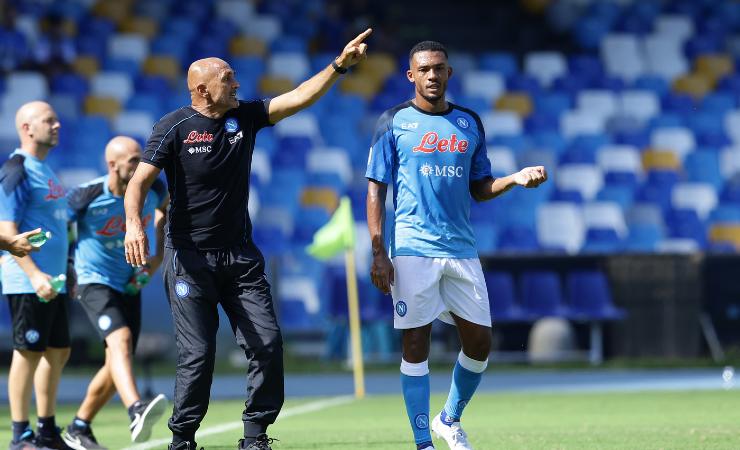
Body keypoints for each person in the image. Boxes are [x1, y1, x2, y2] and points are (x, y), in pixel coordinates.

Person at [123, 29, 373, 450]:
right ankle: (182, 438)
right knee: (199, 356)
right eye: (228, 78)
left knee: (268, 343)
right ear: (202, 89)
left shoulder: (246, 115)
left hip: (240, 257)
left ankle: (255, 436)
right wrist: (134, 224)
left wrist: (337, 67)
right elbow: (138, 183)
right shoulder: (174, 127)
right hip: (190, 259)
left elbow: (298, 98)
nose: (237, 84)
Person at [365, 41, 547, 450]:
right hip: (411, 247)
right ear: (410, 75)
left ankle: (448, 419)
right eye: (424, 69)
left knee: (480, 343)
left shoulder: (469, 123)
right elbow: (376, 188)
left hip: (461, 248)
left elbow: (480, 188)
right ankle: (422, 443)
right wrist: (379, 252)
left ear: (449, 74)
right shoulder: (392, 121)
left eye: (439, 68)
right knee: (415, 342)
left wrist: (514, 179)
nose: (432, 75)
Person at [61, 136, 169, 450]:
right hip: (93, 281)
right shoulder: (85, 196)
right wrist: (66, 268)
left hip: (128, 283)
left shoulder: (155, 188)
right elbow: (57, 229)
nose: (141, 167)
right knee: (120, 342)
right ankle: (136, 408)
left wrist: (158, 256)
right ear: (112, 165)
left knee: (115, 363)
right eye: (134, 160)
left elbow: (164, 211)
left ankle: (79, 427)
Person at [0, 101, 71, 450]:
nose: (57, 125)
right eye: (49, 120)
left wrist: (64, 270)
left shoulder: (44, 168)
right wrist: (35, 275)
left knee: (58, 351)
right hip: (29, 280)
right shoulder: (17, 169)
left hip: (52, 280)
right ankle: (19, 435)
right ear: (27, 128)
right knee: (27, 352)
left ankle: (46, 429)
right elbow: (7, 230)